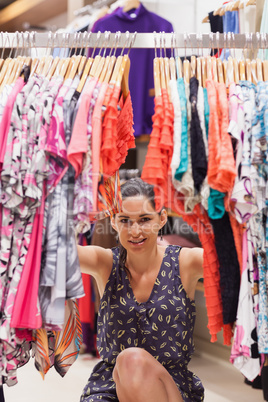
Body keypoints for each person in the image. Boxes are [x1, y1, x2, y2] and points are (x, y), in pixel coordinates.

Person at [78, 178, 204, 402]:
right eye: (125, 220)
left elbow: (237, 262)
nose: (135, 231)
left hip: (168, 387)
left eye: (145, 219)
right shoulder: (104, 262)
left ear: (162, 218)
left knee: (131, 359)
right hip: (109, 388)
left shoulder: (185, 262)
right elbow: (52, 251)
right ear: (114, 223)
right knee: (127, 361)